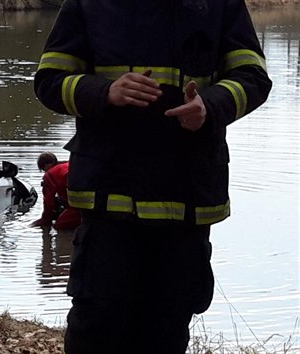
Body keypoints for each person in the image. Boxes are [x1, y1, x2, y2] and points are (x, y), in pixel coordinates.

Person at [33, 1, 272, 353]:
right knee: (97, 328)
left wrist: (210, 106)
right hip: (109, 204)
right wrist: (104, 92)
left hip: (184, 203)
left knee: (166, 332)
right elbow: (49, 80)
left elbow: (253, 76)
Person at [30, 152, 81, 231]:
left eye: (43, 169)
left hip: (79, 207)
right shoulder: (70, 164)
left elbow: (48, 202)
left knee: (59, 226)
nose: (45, 172)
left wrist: (46, 221)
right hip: (95, 201)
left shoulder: (50, 175)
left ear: (47, 165)